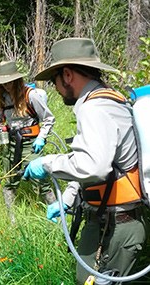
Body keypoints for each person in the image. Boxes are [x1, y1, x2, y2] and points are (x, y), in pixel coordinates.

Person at [23, 38, 148, 284]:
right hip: (112, 219)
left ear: (67, 75)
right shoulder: (110, 99)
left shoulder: (95, 108)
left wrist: (47, 164)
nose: (55, 89)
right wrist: (69, 197)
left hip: (116, 224)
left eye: (53, 81)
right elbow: (102, 160)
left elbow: (95, 166)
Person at [0, 60, 56, 223]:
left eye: (9, 81)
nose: (6, 85)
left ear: (17, 80)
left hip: (30, 144)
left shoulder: (30, 95)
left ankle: (56, 216)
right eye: (3, 82)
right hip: (10, 143)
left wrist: (41, 137)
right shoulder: (1, 98)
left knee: (40, 181)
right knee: (10, 181)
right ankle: (12, 220)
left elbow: (49, 118)